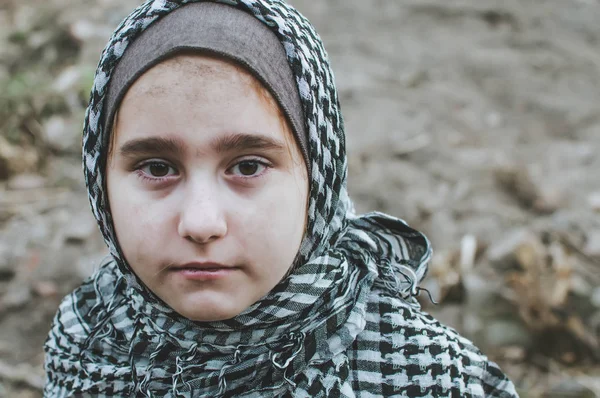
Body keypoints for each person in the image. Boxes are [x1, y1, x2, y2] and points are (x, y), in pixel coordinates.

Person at [44, 1, 519, 397]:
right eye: (157, 168)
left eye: (248, 166)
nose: (202, 223)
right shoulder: (87, 340)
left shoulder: (425, 375)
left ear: (318, 179)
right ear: (100, 183)